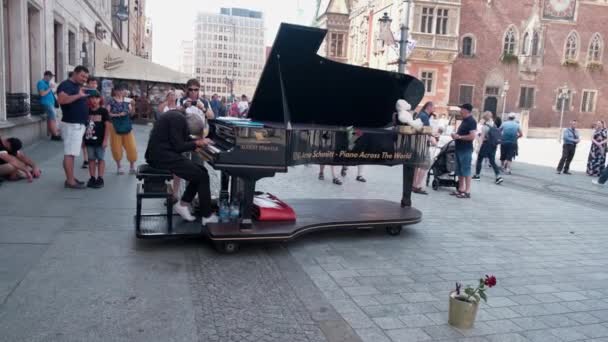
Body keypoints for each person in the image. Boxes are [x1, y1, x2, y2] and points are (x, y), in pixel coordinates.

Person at [145, 110, 218, 224]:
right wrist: (197, 143)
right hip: (161, 157)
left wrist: (197, 143)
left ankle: (183, 204)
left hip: (163, 154)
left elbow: (182, 139)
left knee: (201, 171)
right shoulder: (178, 120)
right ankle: (206, 216)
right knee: (202, 176)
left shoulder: (178, 118)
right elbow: (179, 146)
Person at [57, 65, 90, 189]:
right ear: (74, 73)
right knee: (70, 154)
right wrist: (79, 96)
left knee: (71, 153)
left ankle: (70, 178)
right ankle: (70, 181)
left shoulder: (76, 86)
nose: (84, 79)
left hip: (77, 124)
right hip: (72, 124)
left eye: (86, 77)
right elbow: (62, 100)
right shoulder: (65, 85)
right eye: (82, 76)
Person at [107, 86, 138, 175]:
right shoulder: (111, 100)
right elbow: (107, 113)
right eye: (119, 90)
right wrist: (118, 115)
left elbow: (132, 114)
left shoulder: (128, 100)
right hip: (115, 125)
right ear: (115, 91)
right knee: (116, 146)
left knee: (131, 146)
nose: (121, 92)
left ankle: (132, 166)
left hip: (126, 124)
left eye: (123, 90)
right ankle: (119, 166)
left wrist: (133, 105)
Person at [83, 90, 110, 188]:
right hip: (89, 140)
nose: (94, 100)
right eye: (92, 98)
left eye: (96, 98)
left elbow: (107, 126)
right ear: (89, 99)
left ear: (100, 99)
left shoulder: (103, 111)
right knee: (91, 159)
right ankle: (92, 177)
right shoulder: (86, 111)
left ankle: (100, 178)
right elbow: (84, 126)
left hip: (100, 141)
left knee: (101, 159)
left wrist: (105, 140)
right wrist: (83, 141)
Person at [451, 104, 477, 198]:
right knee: (459, 170)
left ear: (466, 110)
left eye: (461, 109)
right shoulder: (464, 120)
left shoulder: (471, 121)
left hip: (466, 149)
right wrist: (455, 135)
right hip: (459, 148)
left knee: (466, 169)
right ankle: (461, 189)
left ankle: (467, 191)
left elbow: (472, 136)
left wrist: (459, 137)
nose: (460, 111)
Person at [472, 111, 503, 184]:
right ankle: (498, 176)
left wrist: (478, 148)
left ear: (484, 118)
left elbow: (482, 138)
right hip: (493, 145)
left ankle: (477, 175)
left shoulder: (485, 127)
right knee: (492, 161)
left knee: (479, 159)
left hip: (485, 145)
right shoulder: (494, 125)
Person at [412, 101, 433, 194]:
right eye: (433, 107)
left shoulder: (420, 115)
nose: (434, 109)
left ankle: (414, 185)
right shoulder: (424, 116)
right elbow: (426, 131)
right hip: (423, 143)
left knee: (417, 164)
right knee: (425, 164)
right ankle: (417, 185)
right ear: (429, 107)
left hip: (418, 142)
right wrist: (432, 138)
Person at [37, 71, 61, 140]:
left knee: (52, 118)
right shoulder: (41, 83)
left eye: (52, 77)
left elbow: (48, 93)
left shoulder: (47, 84)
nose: (51, 78)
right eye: (50, 76)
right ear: (46, 76)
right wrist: (50, 88)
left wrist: (55, 91)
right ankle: (55, 135)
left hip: (50, 103)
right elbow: (42, 94)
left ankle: (53, 133)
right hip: (46, 103)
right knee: (52, 118)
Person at [81, 77, 98, 169]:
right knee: (84, 140)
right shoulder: (83, 91)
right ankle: (85, 159)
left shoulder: (97, 93)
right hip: (84, 118)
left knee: (94, 138)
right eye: (92, 83)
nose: (93, 85)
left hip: (94, 119)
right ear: (88, 83)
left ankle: (93, 158)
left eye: (95, 83)